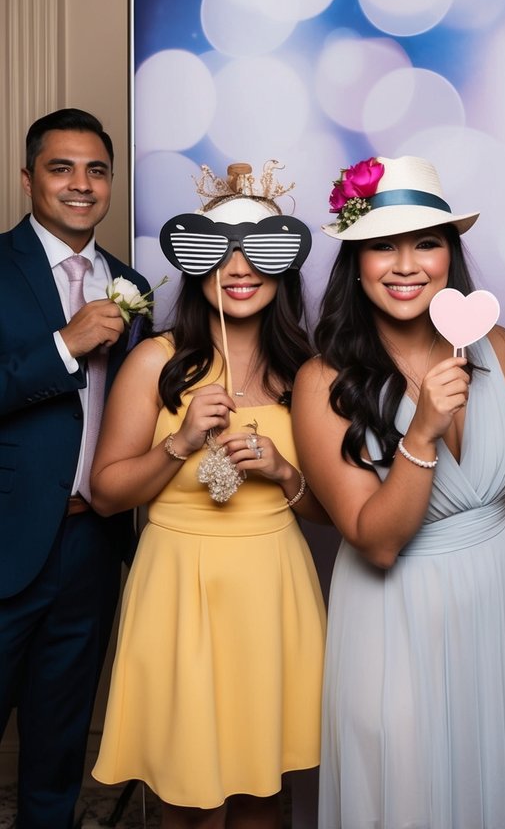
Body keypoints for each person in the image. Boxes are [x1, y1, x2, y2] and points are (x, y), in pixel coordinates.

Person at [292, 154, 505, 829]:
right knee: (408, 794)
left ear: (451, 255)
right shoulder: (321, 382)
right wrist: (419, 434)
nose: (406, 264)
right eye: (382, 246)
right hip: (397, 619)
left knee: (492, 791)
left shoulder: (497, 349)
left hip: (500, 608)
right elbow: (377, 543)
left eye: (426, 242)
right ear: (355, 263)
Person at [90, 161, 326, 829]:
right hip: (177, 589)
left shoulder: (304, 371)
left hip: (271, 585)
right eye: (219, 252)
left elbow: (328, 512)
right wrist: (179, 443)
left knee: (262, 794)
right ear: (196, 265)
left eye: (258, 250)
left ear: (282, 263)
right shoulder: (154, 361)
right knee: (188, 800)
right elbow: (106, 495)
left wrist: (283, 472)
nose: (239, 267)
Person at [0, 107, 150, 829]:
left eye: (96, 170)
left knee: (57, 755)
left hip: (93, 544)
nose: (80, 185)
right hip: (5, 541)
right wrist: (64, 347)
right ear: (28, 178)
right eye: (61, 168)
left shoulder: (130, 283)